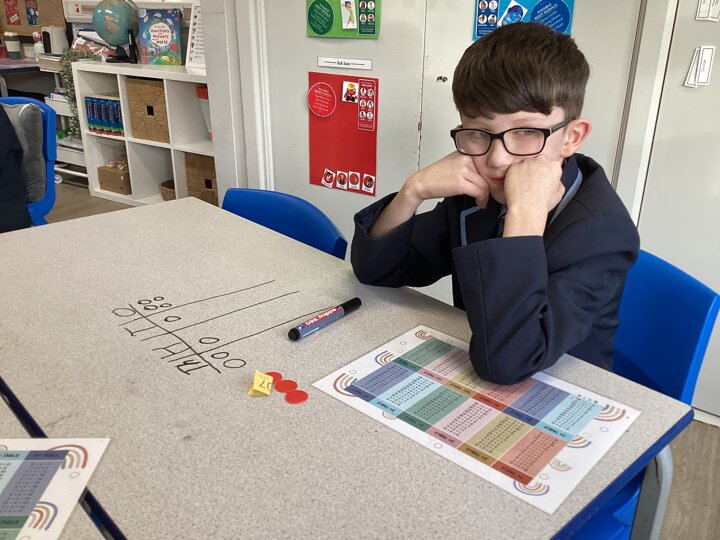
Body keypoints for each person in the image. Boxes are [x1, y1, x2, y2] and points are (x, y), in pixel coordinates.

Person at [350, 22, 639, 385]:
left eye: (527, 132)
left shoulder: (602, 230)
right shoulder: (476, 191)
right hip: (478, 373)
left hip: (565, 387)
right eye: (479, 133)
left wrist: (524, 217)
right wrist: (413, 190)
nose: (498, 159)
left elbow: (509, 362)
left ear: (571, 137)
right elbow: (377, 271)